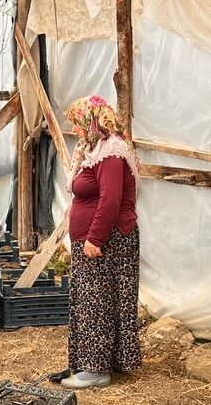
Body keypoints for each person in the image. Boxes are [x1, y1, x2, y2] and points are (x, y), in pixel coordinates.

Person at [57, 95, 142, 388]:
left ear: (90, 120)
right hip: (92, 239)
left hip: (107, 241)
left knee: (98, 303)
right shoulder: (94, 149)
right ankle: (94, 362)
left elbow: (111, 199)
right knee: (91, 300)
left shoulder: (112, 151)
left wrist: (95, 238)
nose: (75, 130)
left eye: (77, 123)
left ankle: (96, 369)